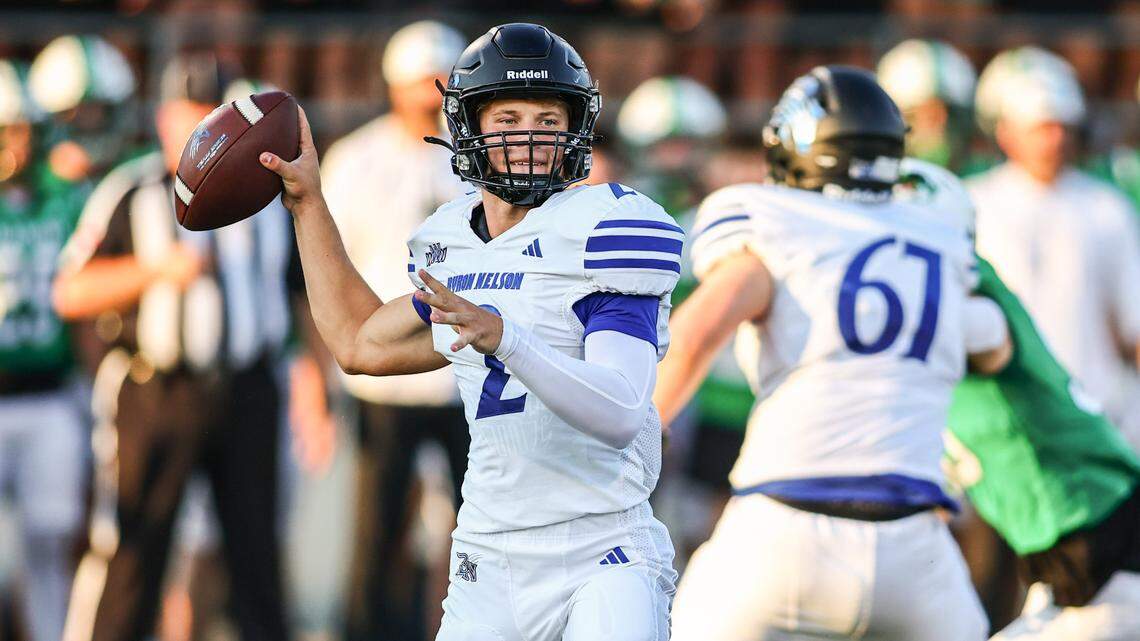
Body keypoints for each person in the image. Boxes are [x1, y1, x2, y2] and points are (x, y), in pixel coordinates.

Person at [260, 22, 679, 640]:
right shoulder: (456, 239)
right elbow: (357, 342)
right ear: (471, 129)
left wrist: (508, 337)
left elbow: (621, 410)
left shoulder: (604, 228)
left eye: (546, 119)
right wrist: (308, 204)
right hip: (490, 555)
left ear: (574, 130)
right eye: (507, 119)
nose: (529, 138)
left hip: (602, 548)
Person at [653, 66, 1011, 641]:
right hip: (916, 546)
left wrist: (626, 440)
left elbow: (693, 336)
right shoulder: (938, 245)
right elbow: (994, 347)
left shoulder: (774, 226)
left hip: (785, 527)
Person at [52, 53, 299, 641]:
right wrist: (154, 270)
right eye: (189, 117)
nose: (200, 135)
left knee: (256, 555)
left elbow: (295, 293)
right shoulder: (132, 190)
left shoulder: (265, 197)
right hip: (155, 390)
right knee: (135, 549)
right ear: (164, 120)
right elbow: (71, 289)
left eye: (211, 118)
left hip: (246, 387)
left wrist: (311, 382)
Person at [318, 20, 470, 641]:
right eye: (420, 85)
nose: (431, 98)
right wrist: (321, 363)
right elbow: (323, 271)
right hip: (385, 376)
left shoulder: (478, 158)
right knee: (378, 530)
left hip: (468, 374)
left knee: (482, 528)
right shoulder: (357, 160)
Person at [967, 46, 1140, 450]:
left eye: (1062, 127)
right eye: (1041, 128)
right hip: (1009, 415)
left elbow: (1133, 319)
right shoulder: (975, 203)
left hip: (1100, 413)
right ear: (1007, 133)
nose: (1055, 139)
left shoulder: (1106, 207)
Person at [0, 57, 92, 641]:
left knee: (51, 544)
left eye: (20, 128)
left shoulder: (66, 191)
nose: (15, 143)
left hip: (52, 392)